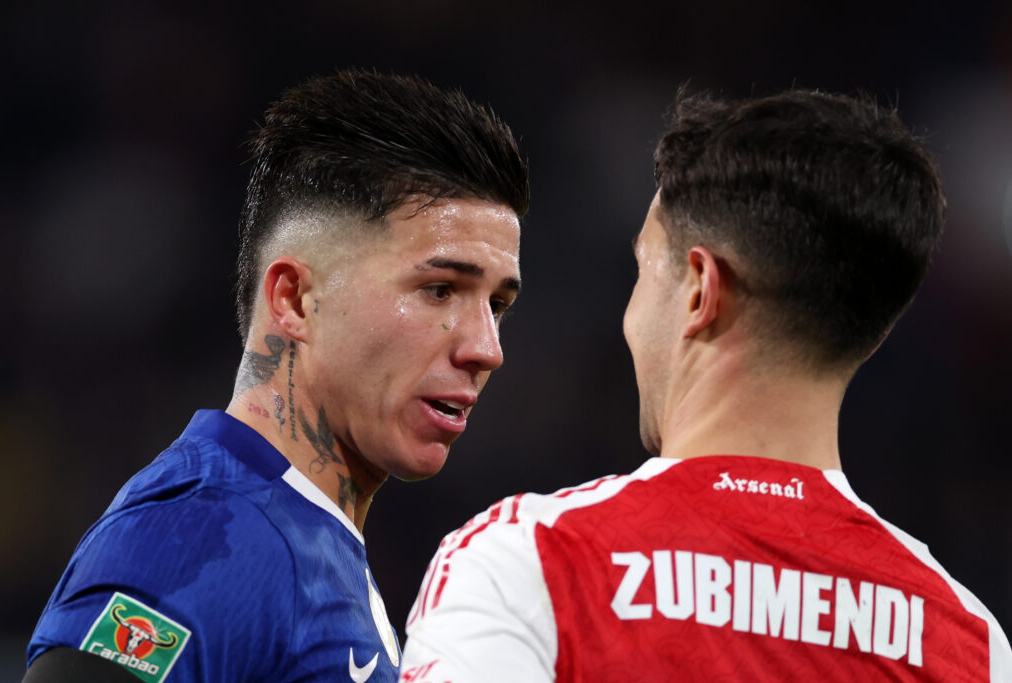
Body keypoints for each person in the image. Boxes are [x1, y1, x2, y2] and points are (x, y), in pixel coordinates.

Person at [401, 89, 1012, 681]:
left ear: (700, 289)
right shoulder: (969, 643)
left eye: (642, 268)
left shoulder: (532, 565)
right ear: (868, 336)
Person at [24, 69, 529, 682]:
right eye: (439, 289)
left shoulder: (301, 535)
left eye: (496, 305)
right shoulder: (202, 536)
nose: (486, 348)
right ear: (293, 299)